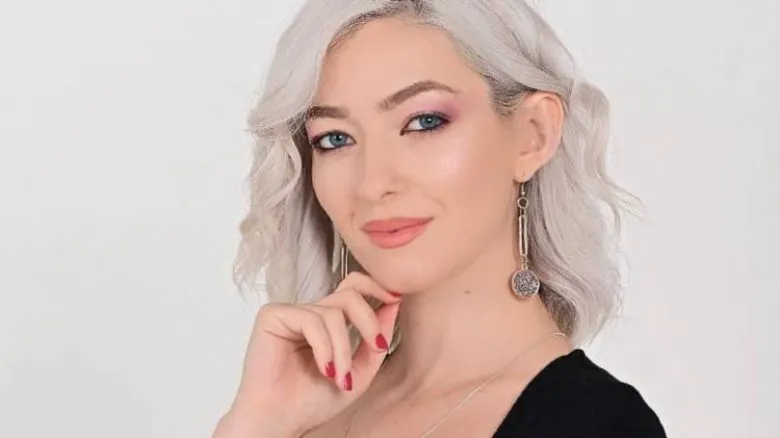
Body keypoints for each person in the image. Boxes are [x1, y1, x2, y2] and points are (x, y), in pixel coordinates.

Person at [213, 0, 666, 436]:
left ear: (533, 134)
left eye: (424, 122)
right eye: (334, 139)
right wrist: (256, 428)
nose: (372, 184)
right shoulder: (298, 411)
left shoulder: (599, 425)